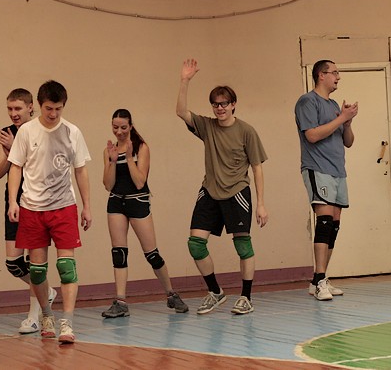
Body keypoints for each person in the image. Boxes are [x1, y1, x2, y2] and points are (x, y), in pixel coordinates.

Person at [176, 58, 269, 315]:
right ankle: (215, 291)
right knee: (195, 244)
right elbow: (181, 112)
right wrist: (184, 81)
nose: (220, 108)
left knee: (242, 245)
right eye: (216, 104)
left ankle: (246, 297)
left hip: (237, 192)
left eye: (224, 103)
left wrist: (261, 203)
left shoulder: (246, 131)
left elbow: (257, 168)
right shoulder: (207, 126)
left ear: (233, 104)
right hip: (209, 191)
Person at [7, 80, 92, 344]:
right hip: (32, 208)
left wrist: (87, 206)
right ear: (39, 105)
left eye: (58, 109)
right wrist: (13, 202)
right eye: (48, 108)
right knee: (37, 271)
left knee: (67, 268)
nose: (53, 114)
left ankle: (67, 322)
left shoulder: (72, 132)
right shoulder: (26, 131)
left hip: (63, 207)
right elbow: (15, 167)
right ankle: (46, 315)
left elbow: (81, 170)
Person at [101, 109, 189, 318]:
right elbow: (108, 185)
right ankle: (120, 301)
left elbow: (140, 181)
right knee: (119, 253)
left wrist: (129, 158)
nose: (119, 131)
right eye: (115, 127)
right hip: (116, 202)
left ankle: (171, 293)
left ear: (131, 126)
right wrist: (112, 161)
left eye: (123, 127)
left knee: (152, 254)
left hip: (138, 202)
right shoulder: (109, 150)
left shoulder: (141, 147)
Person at [294, 60, 358, 301]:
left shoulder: (332, 105)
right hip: (317, 168)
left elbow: (348, 141)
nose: (338, 77)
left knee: (334, 224)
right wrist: (341, 118)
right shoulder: (307, 101)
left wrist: (347, 122)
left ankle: (318, 279)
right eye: (334, 73)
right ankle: (320, 279)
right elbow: (311, 135)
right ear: (321, 75)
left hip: (338, 171)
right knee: (324, 220)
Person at [0, 88, 57, 333]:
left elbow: (44, 165)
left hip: (37, 200)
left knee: (34, 262)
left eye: (18, 108)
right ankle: (47, 291)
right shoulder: (6, 133)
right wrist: (9, 151)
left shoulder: (41, 130)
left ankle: (33, 316)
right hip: (13, 200)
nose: (13, 113)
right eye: (10, 109)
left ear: (31, 107)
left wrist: (17, 147)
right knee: (13, 263)